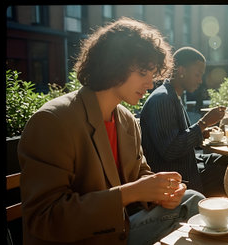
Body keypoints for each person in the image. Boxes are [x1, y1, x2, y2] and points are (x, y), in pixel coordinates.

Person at [18, 18, 205, 245]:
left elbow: (140, 174)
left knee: (193, 199)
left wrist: (160, 192)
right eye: (144, 73)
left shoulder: (126, 119)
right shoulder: (53, 120)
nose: (150, 84)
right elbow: (44, 219)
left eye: (153, 75)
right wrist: (131, 193)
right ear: (114, 64)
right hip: (82, 239)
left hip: (120, 230)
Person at [140, 47, 228, 196]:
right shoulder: (163, 99)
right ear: (181, 70)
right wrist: (203, 123)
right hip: (175, 176)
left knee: (226, 160)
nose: (200, 80)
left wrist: (202, 132)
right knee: (223, 172)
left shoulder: (173, 95)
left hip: (184, 163)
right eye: (197, 74)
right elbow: (170, 150)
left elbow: (180, 135)